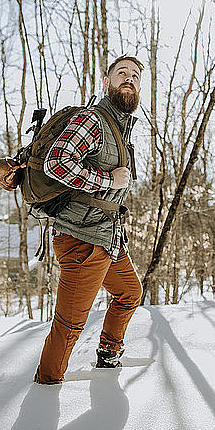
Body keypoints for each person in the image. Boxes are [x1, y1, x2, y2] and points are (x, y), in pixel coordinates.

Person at [34, 55, 144, 385]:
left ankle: (108, 355)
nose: (130, 79)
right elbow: (58, 164)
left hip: (107, 237)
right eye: (122, 73)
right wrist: (108, 180)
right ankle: (47, 385)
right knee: (69, 324)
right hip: (81, 237)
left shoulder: (121, 132)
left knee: (129, 293)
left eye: (136, 76)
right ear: (107, 82)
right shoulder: (93, 120)